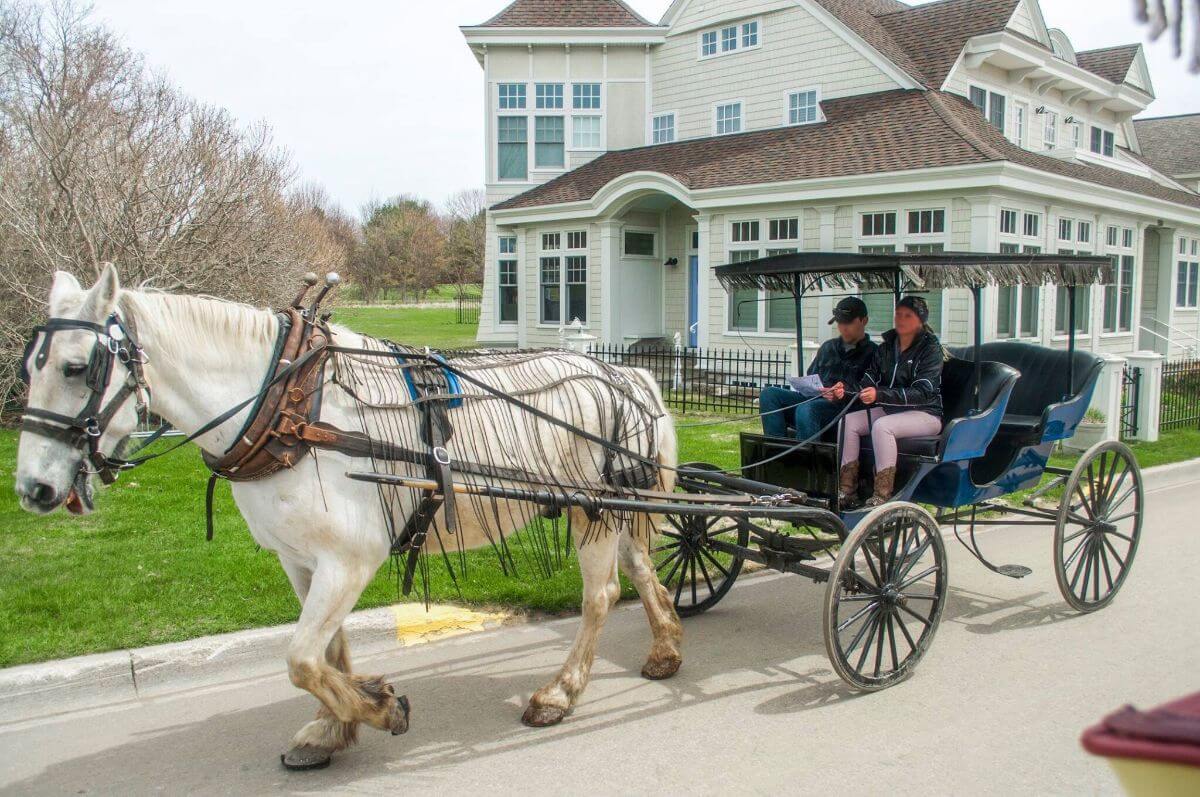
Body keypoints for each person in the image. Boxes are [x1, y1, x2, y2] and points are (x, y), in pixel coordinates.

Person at [836, 295, 944, 508]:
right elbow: (867, 382)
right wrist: (844, 391)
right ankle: (846, 491)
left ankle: (882, 495)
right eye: (898, 314)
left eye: (908, 316)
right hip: (891, 410)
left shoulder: (930, 349)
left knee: (882, 427)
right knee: (848, 422)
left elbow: (922, 392)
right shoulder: (886, 348)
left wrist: (880, 395)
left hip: (925, 413)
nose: (901, 319)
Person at [759, 297, 876, 440]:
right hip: (814, 399)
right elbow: (812, 376)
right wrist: (810, 387)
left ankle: (805, 460)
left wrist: (842, 392)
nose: (843, 327)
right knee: (769, 394)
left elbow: (871, 389)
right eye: (840, 322)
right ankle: (776, 450)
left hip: (844, 408)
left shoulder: (874, 353)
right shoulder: (828, 347)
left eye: (849, 322)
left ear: (864, 321)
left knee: (807, 409)